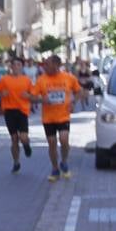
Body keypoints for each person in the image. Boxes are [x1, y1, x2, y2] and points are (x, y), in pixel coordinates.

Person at [32, 53, 80, 182]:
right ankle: (54, 168)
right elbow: (33, 97)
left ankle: (64, 162)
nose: (44, 67)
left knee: (64, 140)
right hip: (48, 118)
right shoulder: (41, 79)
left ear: (56, 65)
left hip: (63, 115)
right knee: (52, 143)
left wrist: (74, 103)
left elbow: (78, 91)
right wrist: (42, 99)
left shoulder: (69, 78)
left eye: (47, 64)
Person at [0, 58, 35, 173]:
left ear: (22, 67)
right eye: (15, 65)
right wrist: (1, 93)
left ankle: (26, 145)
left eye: (19, 65)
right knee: (14, 139)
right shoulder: (4, 80)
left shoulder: (27, 80)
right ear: (11, 67)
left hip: (22, 110)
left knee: (23, 137)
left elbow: (33, 95)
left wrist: (28, 96)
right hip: (9, 111)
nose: (17, 67)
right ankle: (16, 162)